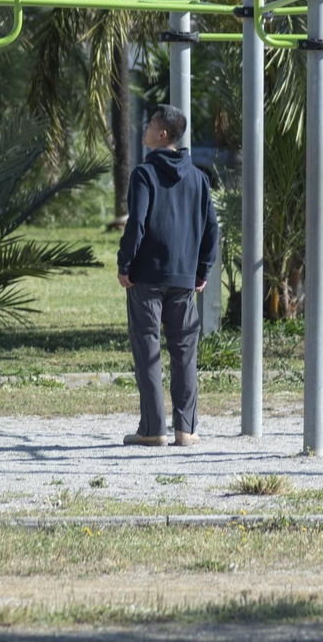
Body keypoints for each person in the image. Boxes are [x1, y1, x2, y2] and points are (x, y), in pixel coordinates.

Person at [116, 104, 219, 447]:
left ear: (163, 134)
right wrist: (202, 270)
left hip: (145, 277)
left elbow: (137, 224)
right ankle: (186, 430)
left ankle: (152, 429)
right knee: (184, 353)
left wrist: (124, 264)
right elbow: (211, 230)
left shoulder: (144, 174)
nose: (144, 128)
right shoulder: (199, 178)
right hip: (184, 279)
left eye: (150, 124)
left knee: (148, 350)